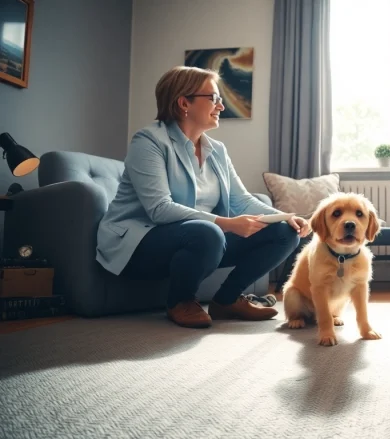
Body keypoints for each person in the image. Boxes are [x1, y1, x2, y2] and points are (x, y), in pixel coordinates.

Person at [95, 66, 309, 328]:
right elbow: (159, 209)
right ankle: (180, 302)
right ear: (184, 102)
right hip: (142, 242)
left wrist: (288, 217)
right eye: (214, 98)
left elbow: (240, 200)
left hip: (200, 239)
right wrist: (227, 223)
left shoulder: (217, 149)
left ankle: (227, 300)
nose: (221, 106)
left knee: (284, 233)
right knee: (208, 232)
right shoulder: (149, 141)